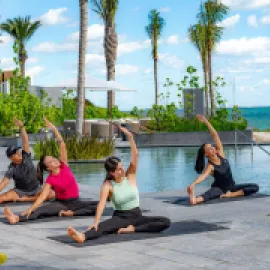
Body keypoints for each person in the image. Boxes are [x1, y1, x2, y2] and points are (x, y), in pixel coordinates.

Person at [67, 124, 170, 244]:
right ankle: (82, 236)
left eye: (122, 167)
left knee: (165, 222)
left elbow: (135, 155)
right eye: (119, 169)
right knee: (102, 227)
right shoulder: (108, 185)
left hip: (137, 216)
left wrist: (130, 137)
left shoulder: (130, 176)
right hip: (121, 217)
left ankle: (133, 229)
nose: (122, 170)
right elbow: (101, 204)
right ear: (112, 172)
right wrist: (95, 222)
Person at [4, 118, 98, 224]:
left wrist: (54, 129)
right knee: (40, 211)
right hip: (61, 203)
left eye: (53, 158)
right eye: (51, 161)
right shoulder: (50, 179)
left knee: (99, 206)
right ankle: (16, 218)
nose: (54, 160)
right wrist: (31, 208)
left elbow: (62, 144)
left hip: (76, 201)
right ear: (49, 168)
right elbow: (43, 197)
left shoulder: (64, 165)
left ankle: (72, 213)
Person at [187, 114, 259, 205]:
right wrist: (193, 184)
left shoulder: (221, 154)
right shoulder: (210, 166)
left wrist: (206, 121)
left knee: (255, 187)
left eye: (212, 146)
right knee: (203, 198)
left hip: (232, 187)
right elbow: (203, 176)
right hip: (219, 189)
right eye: (209, 148)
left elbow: (215, 135)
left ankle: (231, 195)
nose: (213, 148)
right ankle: (192, 196)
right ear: (206, 154)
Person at [0, 118, 54, 204]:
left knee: (51, 194)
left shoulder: (26, 156)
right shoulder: (12, 168)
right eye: (15, 152)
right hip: (20, 191)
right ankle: (29, 198)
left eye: (17, 151)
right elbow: (4, 183)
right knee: (1, 198)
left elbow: (25, 139)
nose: (18, 152)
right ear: (11, 158)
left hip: (36, 189)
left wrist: (21, 126)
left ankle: (27, 199)